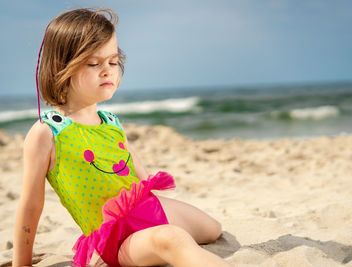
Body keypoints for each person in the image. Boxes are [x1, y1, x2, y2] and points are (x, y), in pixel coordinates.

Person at [12, 8, 231, 267]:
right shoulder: (47, 133)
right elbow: (30, 204)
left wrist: (155, 195)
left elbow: (132, 163)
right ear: (62, 67)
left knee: (213, 229)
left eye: (113, 62)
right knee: (172, 239)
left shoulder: (111, 121)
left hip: (146, 210)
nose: (107, 71)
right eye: (94, 63)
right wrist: (22, 264)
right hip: (117, 240)